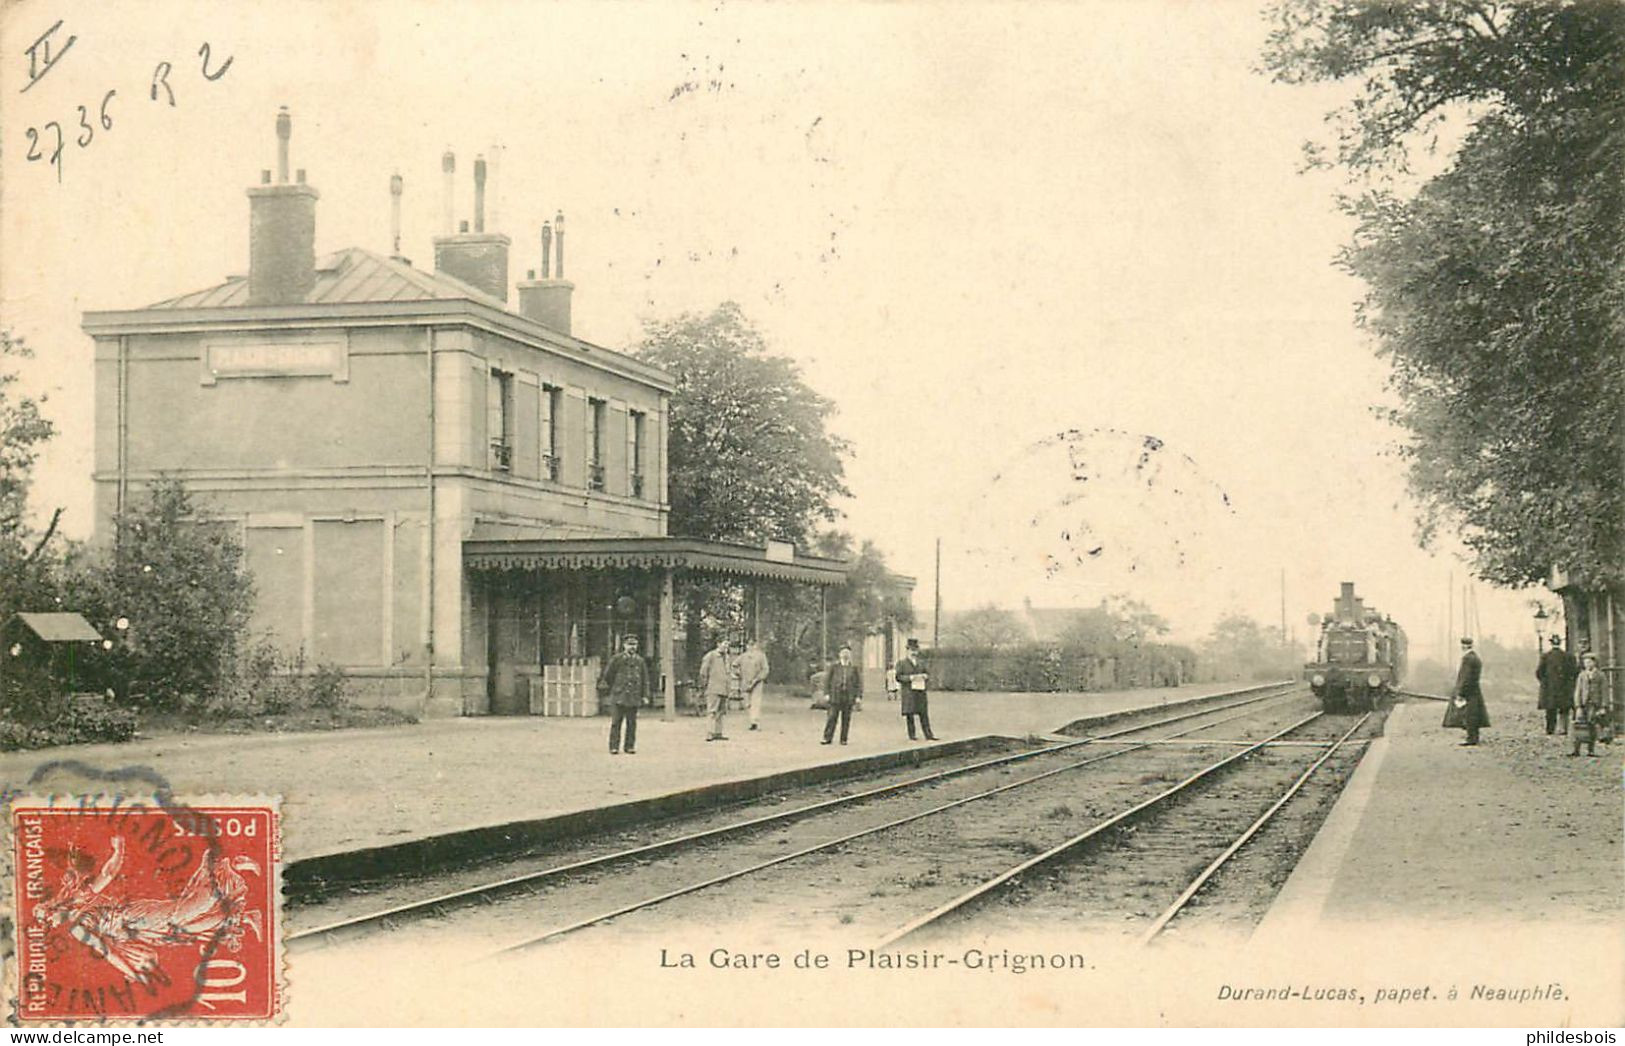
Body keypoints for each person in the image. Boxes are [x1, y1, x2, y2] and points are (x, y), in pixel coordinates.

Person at [600, 634, 651, 755]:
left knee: (632, 723)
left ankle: (629, 746)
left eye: (634, 644)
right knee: (616, 722)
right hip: (619, 695)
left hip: (634, 696)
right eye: (629, 644)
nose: (632, 647)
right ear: (624, 645)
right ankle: (614, 747)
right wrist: (615, 688)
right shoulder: (617, 659)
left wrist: (645, 695)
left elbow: (645, 679)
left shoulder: (640, 661)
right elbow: (608, 675)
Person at [1449, 636, 1489, 746]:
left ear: (1465, 646)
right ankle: (1474, 737)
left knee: (1469, 715)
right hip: (1475, 690)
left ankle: (1471, 738)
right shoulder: (1475, 657)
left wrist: (1461, 692)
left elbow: (1465, 677)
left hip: (1469, 691)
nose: (1462, 647)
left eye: (1462, 646)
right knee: (1474, 715)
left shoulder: (1467, 659)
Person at [894, 638, 937, 741]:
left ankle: (928, 734)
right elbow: (898, 677)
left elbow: (928, 674)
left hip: (920, 691)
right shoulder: (901, 663)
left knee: (923, 714)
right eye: (911, 650)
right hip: (909, 692)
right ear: (907, 651)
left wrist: (925, 676)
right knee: (910, 714)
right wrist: (910, 678)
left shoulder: (921, 663)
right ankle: (912, 735)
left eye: (915, 650)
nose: (913, 652)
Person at [1536, 634, 1577, 736]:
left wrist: (1545, 682)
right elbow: (1574, 672)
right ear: (1560, 643)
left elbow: (1539, 673)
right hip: (1564, 688)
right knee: (1564, 709)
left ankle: (1550, 730)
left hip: (1550, 688)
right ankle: (1563, 729)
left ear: (1551, 643)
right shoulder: (1568, 656)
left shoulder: (1545, 656)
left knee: (1550, 710)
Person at [821, 644, 863, 746]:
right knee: (832, 717)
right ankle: (827, 737)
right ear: (839, 655)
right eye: (843, 653)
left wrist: (858, 696)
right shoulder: (834, 667)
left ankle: (843, 739)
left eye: (847, 653)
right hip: (835, 696)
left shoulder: (854, 668)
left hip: (848, 697)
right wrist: (826, 693)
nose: (845, 655)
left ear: (850, 655)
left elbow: (858, 683)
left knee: (846, 718)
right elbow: (827, 681)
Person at [1570, 651, 1608, 757]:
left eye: (1589, 662)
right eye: (1585, 662)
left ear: (1594, 663)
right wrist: (1577, 705)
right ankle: (1576, 749)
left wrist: (1603, 706)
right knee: (1578, 725)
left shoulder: (1600, 675)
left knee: (1591, 726)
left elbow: (1604, 691)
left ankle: (1590, 750)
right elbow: (1578, 690)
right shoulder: (1582, 675)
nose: (1587, 664)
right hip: (1583, 704)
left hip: (1594, 704)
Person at [698, 635, 733, 742]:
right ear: (718, 643)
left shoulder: (727, 657)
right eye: (724, 643)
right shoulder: (711, 656)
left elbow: (728, 672)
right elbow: (703, 672)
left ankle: (718, 732)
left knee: (721, 712)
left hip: (724, 688)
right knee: (712, 711)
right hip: (713, 687)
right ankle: (709, 733)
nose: (726, 646)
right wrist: (704, 685)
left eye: (728, 644)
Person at [737, 638, 770, 731]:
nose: (751, 647)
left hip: (757, 683)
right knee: (747, 703)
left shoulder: (761, 656)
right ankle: (751, 719)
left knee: (756, 702)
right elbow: (734, 666)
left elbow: (765, 669)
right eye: (749, 645)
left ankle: (754, 722)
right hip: (745, 681)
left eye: (753, 644)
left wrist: (757, 679)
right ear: (746, 646)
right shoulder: (742, 656)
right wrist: (739, 674)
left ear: (756, 645)